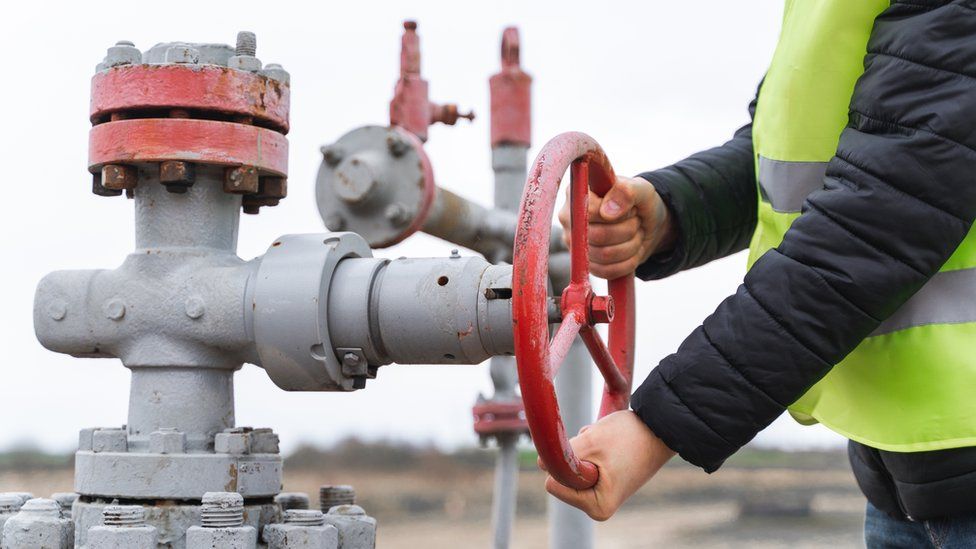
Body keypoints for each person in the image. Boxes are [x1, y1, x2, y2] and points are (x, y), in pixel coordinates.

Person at [549, 1, 976, 546]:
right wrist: (672, 211)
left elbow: (880, 217)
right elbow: (805, 151)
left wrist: (661, 425)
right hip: (903, 472)